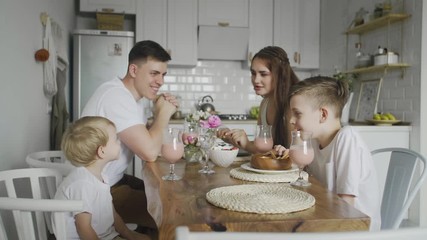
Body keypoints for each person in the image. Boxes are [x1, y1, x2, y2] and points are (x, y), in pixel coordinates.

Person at [81, 40, 178, 238]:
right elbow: (150, 152)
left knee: (163, 194)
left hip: (113, 179)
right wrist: (163, 115)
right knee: (171, 211)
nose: (160, 81)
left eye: (163, 74)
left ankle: (147, 233)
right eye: (154, 73)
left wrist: (158, 113)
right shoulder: (117, 97)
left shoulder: (132, 98)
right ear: (134, 70)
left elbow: (149, 143)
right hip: (98, 191)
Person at [278, 76, 381, 230]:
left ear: (323, 115)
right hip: (329, 214)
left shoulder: (347, 138)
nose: (291, 120)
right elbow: (304, 177)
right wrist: (288, 154)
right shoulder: (314, 138)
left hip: (354, 228)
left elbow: (346, 205)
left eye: (297, 114)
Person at [55, 116, 150, 239]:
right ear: (101, 151)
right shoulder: (83, 184)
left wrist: (129, 235)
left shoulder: (101, 176)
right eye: (115, 139)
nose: (119, 142)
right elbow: (83, 228)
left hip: (106, 236)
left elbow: (112, 214)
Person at [217, 46, 299, 153]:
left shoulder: (292, 106)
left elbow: (294, 156)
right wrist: (236, 140)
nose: (256, 80)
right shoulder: (265, 104)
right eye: (253, 73)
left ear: (279, 75)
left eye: (263, 74)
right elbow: (263, 151)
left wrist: (246, 143)